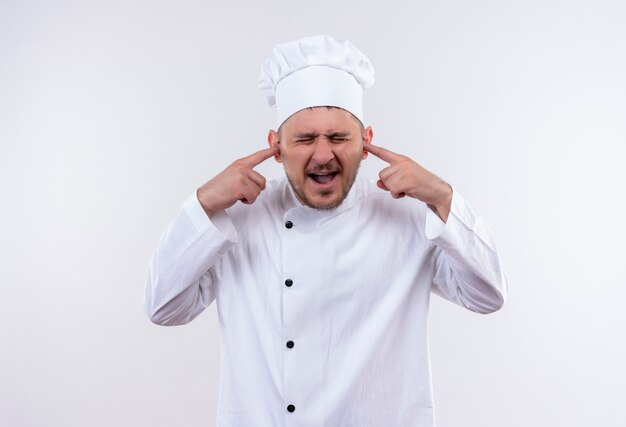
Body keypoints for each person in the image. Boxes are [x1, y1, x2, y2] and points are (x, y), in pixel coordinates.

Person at [145, 35, 507, 427]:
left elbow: (487, 296)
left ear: (366, 143)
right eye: (304, 139)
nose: (322, 154)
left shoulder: (409, 217)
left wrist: (442, 196)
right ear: (276, 146)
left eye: (338, 137)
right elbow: (165, 308)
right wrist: (201, 206)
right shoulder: (238, 219)